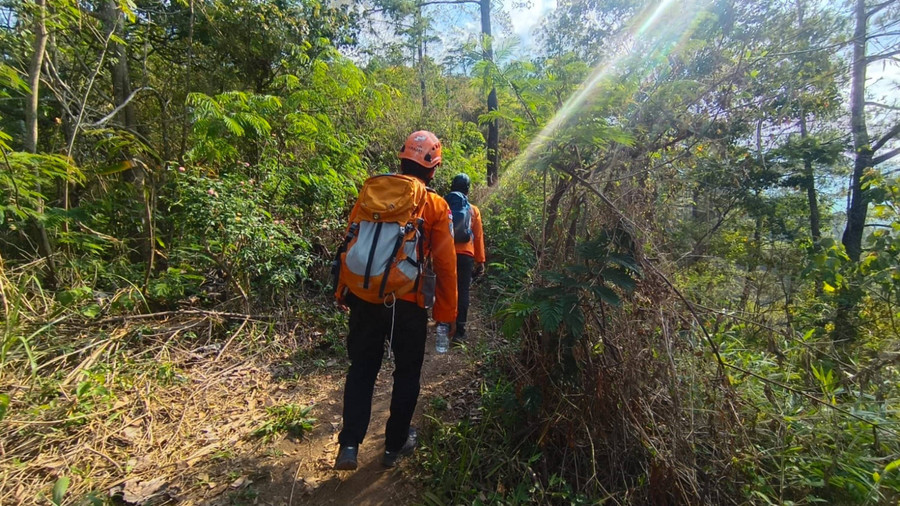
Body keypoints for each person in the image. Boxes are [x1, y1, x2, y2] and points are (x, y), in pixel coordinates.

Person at [333, 130, 458, 470]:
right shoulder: (434, 204)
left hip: (363, 295)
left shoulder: (371, 190)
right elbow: (446, 266)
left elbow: (351, 242)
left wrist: (342, 288)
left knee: (361, 368)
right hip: (407, 301)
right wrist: (446, 314)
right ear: (432, 168)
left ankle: (348, 445)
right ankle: (394, 446)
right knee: (406, 373)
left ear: (401, 159)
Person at [446, 173, 485, 345]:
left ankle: (446, 325)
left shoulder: (443, 205)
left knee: (446, 290)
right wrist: (480, 261)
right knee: (462, 291)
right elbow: (478, 237)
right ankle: (460, 332)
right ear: (468, 190)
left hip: (446, 254)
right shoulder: (473, 210)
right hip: (466, 256)